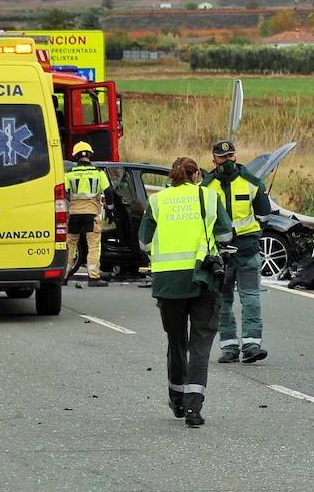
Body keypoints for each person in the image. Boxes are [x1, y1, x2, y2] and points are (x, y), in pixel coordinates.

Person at [138, 156, 233, 427]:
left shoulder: (157, 201)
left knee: (176, 343)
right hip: (203, 277)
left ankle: (177, 400)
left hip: (168, 283)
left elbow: (144, 243)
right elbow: (226, 236)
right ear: (195, 176)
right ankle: (193, 409)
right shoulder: (209, 197)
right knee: (200, 344)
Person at [203, 139, 273, 364]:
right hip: (220, 254)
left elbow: (263, 216)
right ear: (214, 159)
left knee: (251, 298)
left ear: (236, 156)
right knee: (223, 301)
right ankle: (229, 347)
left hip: (246, 250)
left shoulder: (252, 182)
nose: (227, 161)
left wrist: (250, 236)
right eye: (222, 158)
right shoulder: (206, 186)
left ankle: (252, 345)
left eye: (230, 156)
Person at [65, 141, 109, 287]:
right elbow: (109, 192)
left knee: (70, 244)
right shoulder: (98, 172)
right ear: (89, 154)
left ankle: (63, 276)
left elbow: (64, 193)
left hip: (74, 214)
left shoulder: (69, 174)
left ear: (75, 156)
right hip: (91, 214)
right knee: (93, 246)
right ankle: (94, 277)